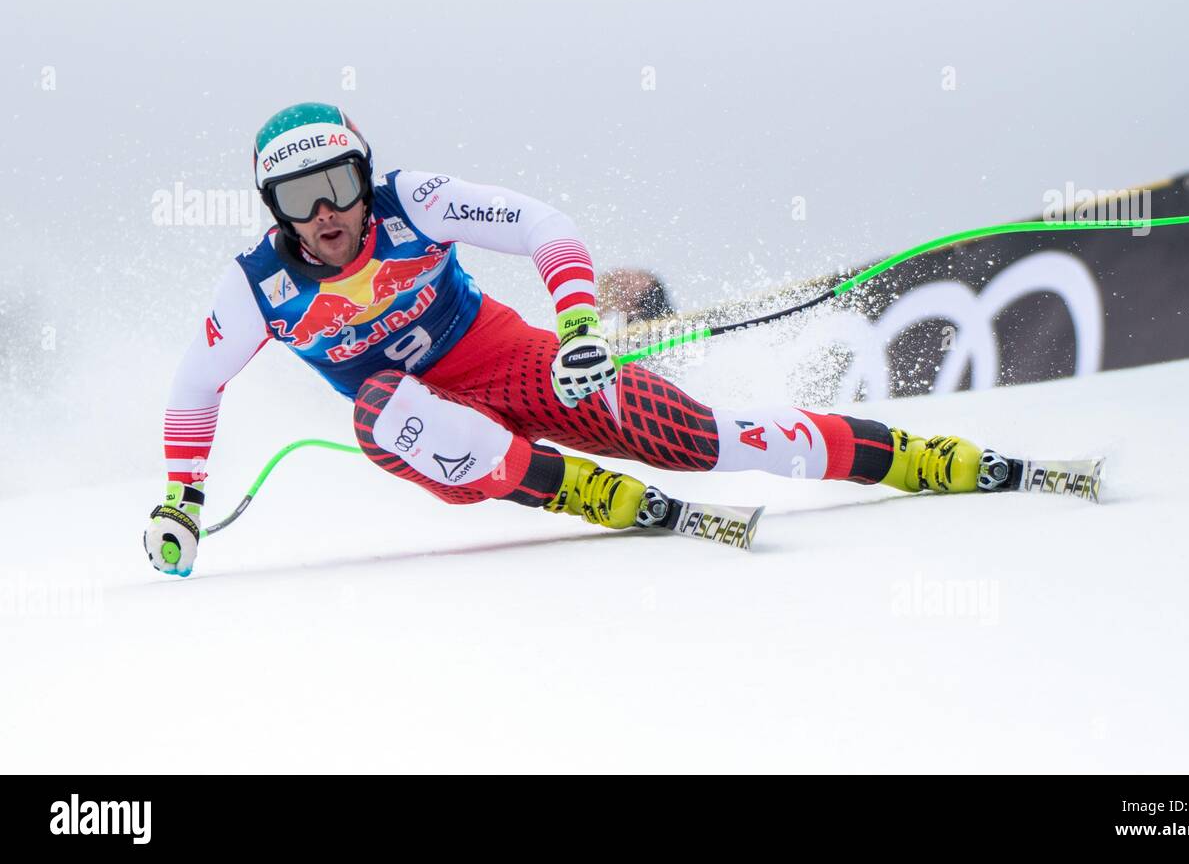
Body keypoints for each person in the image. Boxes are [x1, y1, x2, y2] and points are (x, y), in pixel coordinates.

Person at [143, 103, 1009, 576]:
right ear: (274, 211)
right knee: (379, 407)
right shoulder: (260, 283)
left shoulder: (415, 199)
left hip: (516, 364)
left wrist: (581, 325)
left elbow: (539, 223)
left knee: (710, 439)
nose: (325, 212)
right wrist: (184, 498)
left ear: (366, 177)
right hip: (439, 435)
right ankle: (580, 491)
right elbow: (195, 383)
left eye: (338, 184)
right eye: (300, 199)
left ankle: (916, 458)